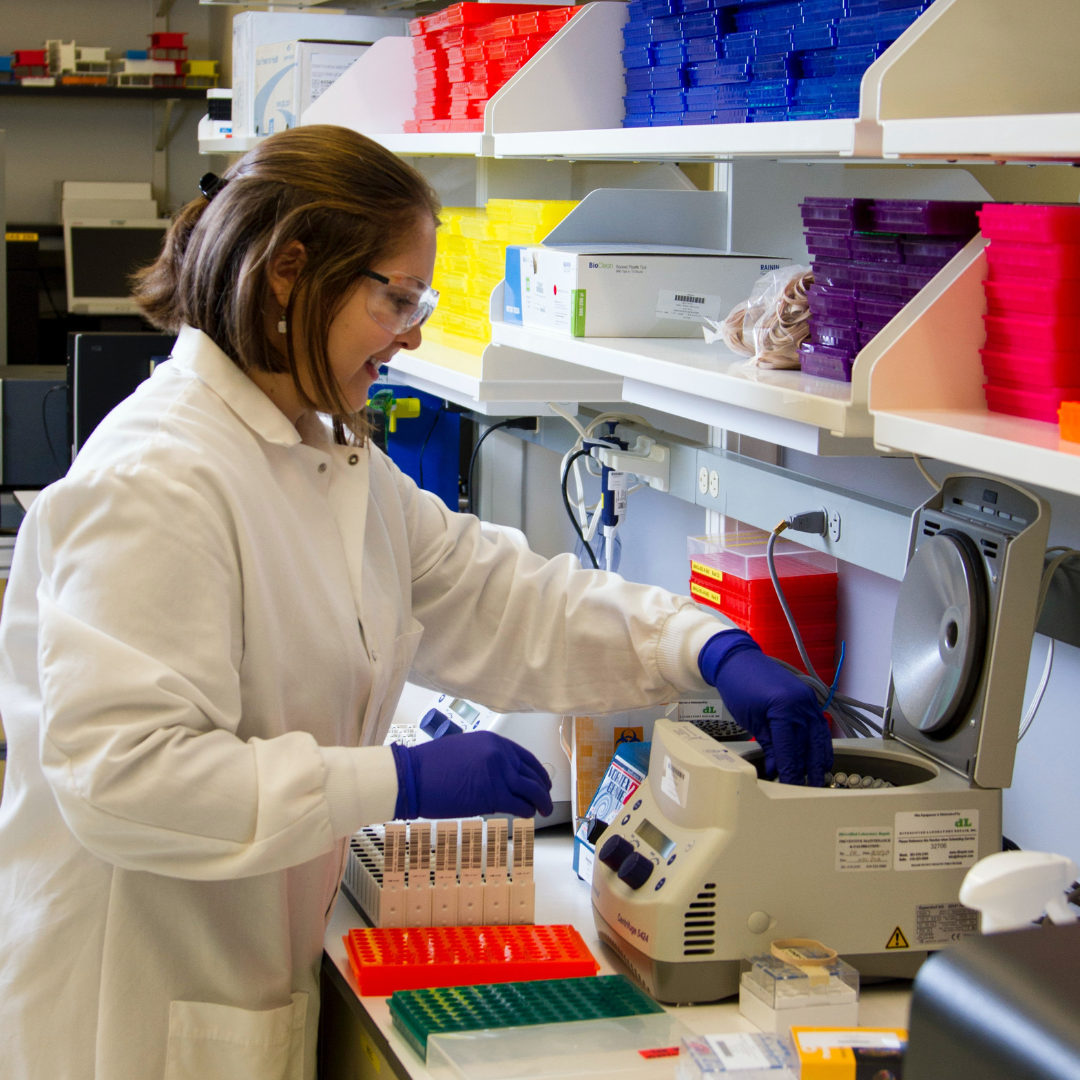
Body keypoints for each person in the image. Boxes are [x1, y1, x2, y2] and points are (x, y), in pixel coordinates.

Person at [0, 125, 830, 1079]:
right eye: (395, 297)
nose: (416, 331)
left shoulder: (322, 453)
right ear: (288, 274)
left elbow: (499, 597)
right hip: (127, 1011)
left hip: (238, 978)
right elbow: (125, 780)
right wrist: (396, 784)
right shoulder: (160, 478)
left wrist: (707, 648)